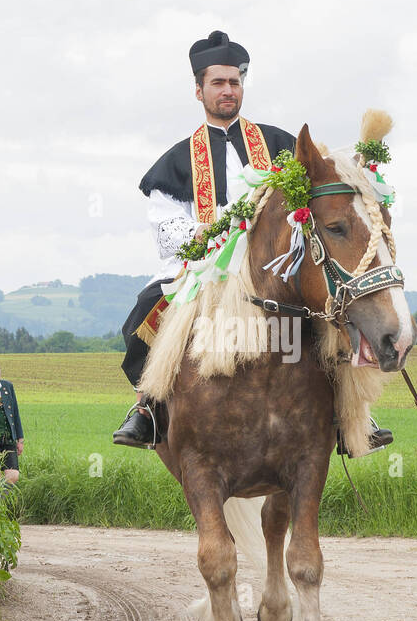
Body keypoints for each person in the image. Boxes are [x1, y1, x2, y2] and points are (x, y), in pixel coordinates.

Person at [111, 30, 391, 455]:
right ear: (199, 90)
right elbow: (163, 223)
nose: (228, 90)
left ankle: (351, 413)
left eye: (235, 81)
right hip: (207, 263)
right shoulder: (176, 159)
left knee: (328, 310)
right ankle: (148, 407)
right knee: (143, 315)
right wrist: (197, 233)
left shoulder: (280, 145)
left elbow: (321, 188)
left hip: (272, 263)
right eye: (218, 83)